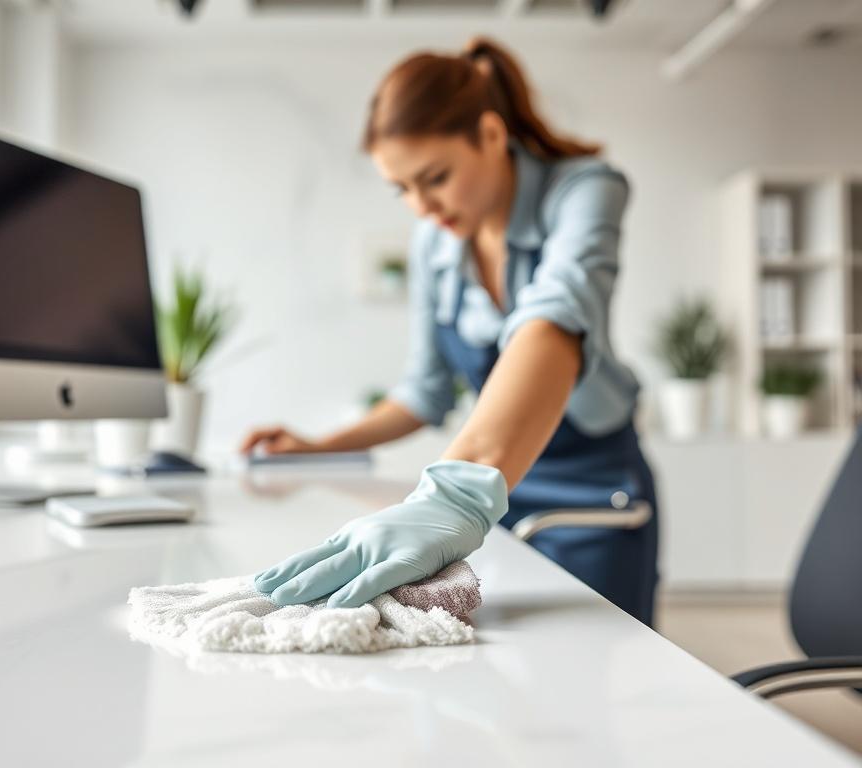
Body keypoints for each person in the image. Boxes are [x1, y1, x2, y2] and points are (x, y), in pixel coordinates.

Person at [241, 37, 659, 626]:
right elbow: (424, 392)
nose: (420, 206)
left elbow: (555, 319)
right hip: (494, 502)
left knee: (593, 674)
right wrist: (319, 446)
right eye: (403, 188)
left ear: (491, 136)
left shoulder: (585, 190)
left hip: (589, 490)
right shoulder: (435, 244)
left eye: (434, 177)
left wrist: (455, 497)